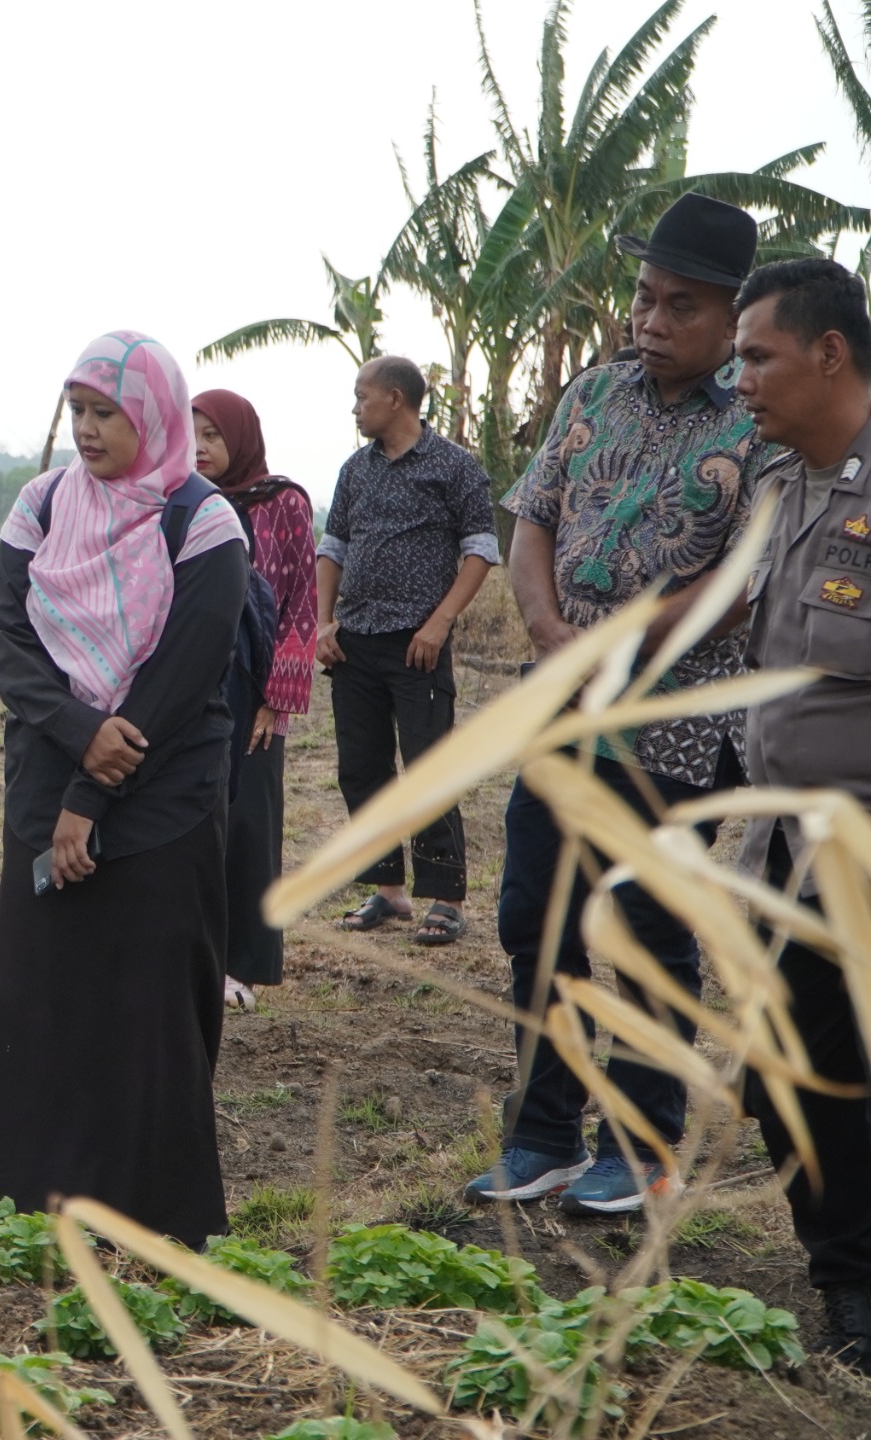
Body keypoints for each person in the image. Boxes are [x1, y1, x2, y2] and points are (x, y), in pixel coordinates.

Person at [471, 194, 770, 1215]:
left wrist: (629, 640)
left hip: (676, 722)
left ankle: (639, 1148)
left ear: (734, 317)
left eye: (679, 306)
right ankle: (543, 1134)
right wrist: (553, 632)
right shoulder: (591, 395)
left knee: (645, 925)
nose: (651, 321)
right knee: (533, 914)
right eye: (644, 299)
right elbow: (532, 523)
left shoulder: (755, 417)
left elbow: (744, 582)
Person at [0, 331, 247, 1244]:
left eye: (108, 415)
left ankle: (157, 1213)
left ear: (154, 418)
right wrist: (75, 735)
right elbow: (9, 636)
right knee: (40, 996)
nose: (87, 432)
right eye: (78, 412)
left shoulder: (204, 522)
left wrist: (93, 792)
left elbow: (184, 670)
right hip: (47, 764)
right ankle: (30, 1200)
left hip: (163, 787)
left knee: (150, 1004)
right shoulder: (44, 504)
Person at [724, 256, 871, 1370]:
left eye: (757, 357)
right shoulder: (786, 489)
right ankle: (847, 1274)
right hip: (789, 845)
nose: (743, 382)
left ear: (829, 353)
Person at [317, 355, 499, 944]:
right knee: (362, 769)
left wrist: (439, 624)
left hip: (419, 645)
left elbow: (480, 551)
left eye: (360, 397)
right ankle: (387, 890)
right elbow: (334, 547)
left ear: (395, 399)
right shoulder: (355, 470)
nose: (354, 408)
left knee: (428, 767)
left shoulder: (453, 467)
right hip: (354, 645)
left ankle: (445, 898)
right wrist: (324, 623)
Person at [190, 389, 314, 1007]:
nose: (199, 447)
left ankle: (238, 965)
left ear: (239, 437)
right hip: (190, 689)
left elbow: (299, 608)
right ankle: (191, 955)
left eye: (212, 434)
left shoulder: (283, 503)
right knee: (190, 824)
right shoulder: (179, 500)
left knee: (248, 827)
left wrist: (275, 699)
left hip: (255, 694)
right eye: (190, 434)